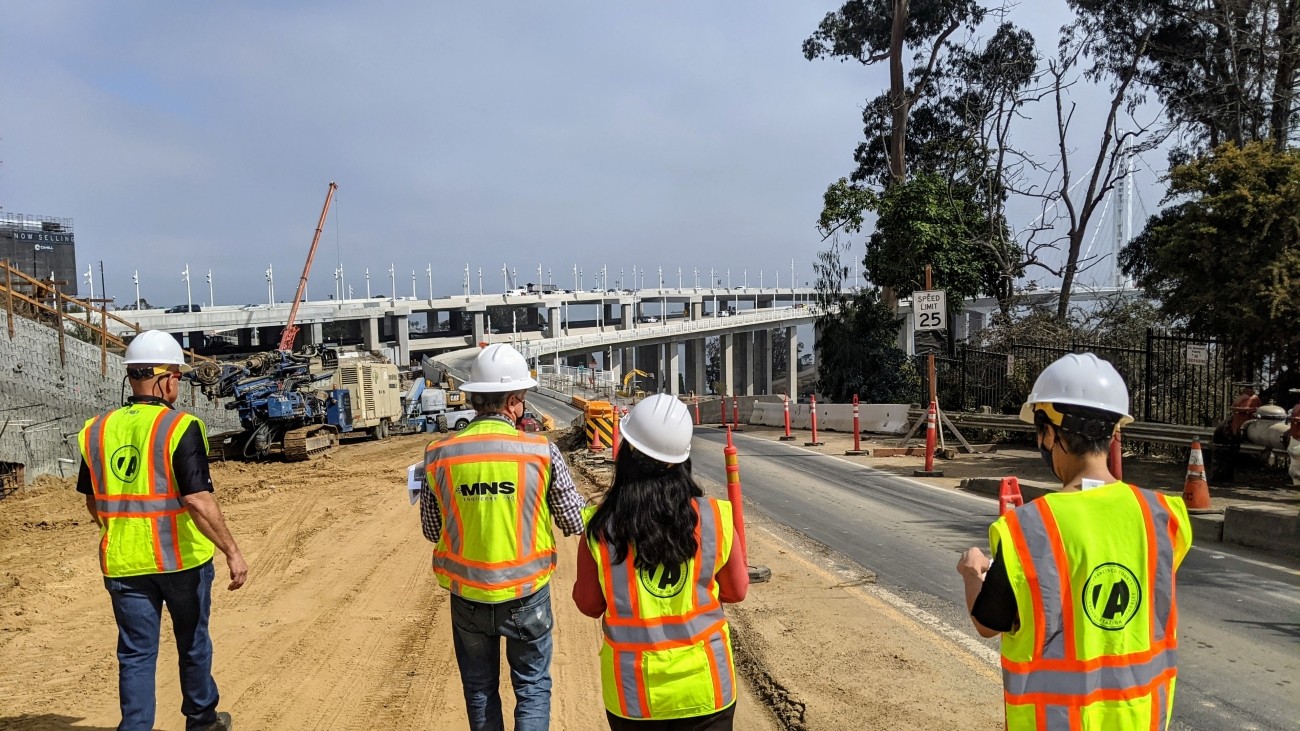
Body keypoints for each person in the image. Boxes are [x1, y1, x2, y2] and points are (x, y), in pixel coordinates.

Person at [957, 353, 1192, 730]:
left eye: (1040, 431)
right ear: (1115, 431)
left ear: (1049, 433)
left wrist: (972, 572)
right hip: (1141, 720)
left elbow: (989, 623)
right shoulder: (1164, 515)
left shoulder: (1029, 527)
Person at [77, 330, 247, 731]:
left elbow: (93, 500)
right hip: (180, 562)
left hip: (123, 564)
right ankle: (203, 721)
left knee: (136, 654)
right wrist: (232, 552)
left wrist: (120, 528)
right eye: (179, 377)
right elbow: (198, 500)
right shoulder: (179, 427)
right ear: (168, 378)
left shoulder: (96, 430)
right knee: (192, 643)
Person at [420, 343, 587, 731]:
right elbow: (573, 520)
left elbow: (432, 530)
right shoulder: (540, 452)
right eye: (523, 400)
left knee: (479, 689)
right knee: (531, 688)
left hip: (468, 597)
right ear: (512, 401)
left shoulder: (439, 454)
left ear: (477, 398)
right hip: (527, 594)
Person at [573, 394, 749, 730]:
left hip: (634, 696)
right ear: (682, 460)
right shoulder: (714, 517)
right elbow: (737, 590)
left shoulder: (600, 525)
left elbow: (588, 604)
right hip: (706, 688)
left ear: (626, 452)